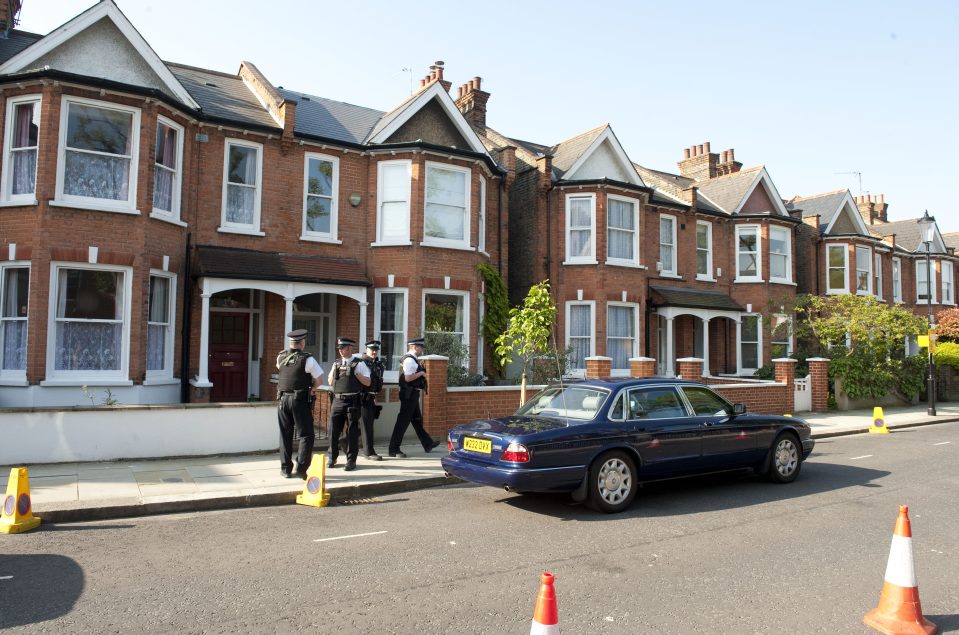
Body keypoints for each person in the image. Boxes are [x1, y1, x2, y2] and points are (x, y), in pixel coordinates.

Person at [275, 328, 323, 479]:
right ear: (302, 343)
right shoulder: (307, 359)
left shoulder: (281, 357)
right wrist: (312, 389)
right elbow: (320, 380)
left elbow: (281, 370)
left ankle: (285, 469)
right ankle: (301, 468)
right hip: (299, 400)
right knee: (306, 435)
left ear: (290, 343)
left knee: (285, 435)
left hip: (282, 400)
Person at [388, 337, 440, 458]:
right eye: (420, 347)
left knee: (416, 420)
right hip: (409, 394)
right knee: (403, 421)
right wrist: (421, 373)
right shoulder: (410, 360)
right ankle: (393, 449)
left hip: (411, 393)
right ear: (414, 347)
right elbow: (408, 378)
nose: (422, 349)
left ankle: (428, 443)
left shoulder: (412, 359)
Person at [327, 336, 366, 471]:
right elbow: (330, 381)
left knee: (352, 432)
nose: (340, 351)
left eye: (343, 348)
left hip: (352, 401)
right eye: (339, 348)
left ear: (350, 348)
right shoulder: (336, 363)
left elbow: (368, 382)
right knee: (333, 430)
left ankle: (351, 461)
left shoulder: (359, 364)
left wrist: (356, 374)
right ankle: (332, 457)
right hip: (337, 400)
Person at [356, 340, 385, 461]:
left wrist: (375, 397)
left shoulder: (377, 364)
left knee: (365, 424)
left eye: (376, 350)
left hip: (371, 397)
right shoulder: (361, 363)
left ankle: (345, 441)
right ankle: (369, 452)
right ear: (366, 349)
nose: (374, 352)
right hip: (362, 397)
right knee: (367, 425)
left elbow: (376, 384)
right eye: (372, 349)